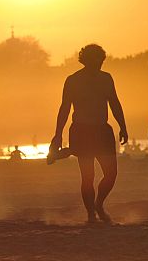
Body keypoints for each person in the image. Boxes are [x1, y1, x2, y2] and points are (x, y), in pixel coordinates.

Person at [49, 44, 128, 224]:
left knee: (111, 174)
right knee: (88, 176)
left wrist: (123, 126)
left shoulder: (106, 78)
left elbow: (114, 103)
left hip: (103, 129)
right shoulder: (73, 80)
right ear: (86, 60)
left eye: (101, 60)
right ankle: (91, 214)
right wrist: (58, 134)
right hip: (81, 129)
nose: (99, 64)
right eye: (96, 60)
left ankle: (99, 204)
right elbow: (65, 108)